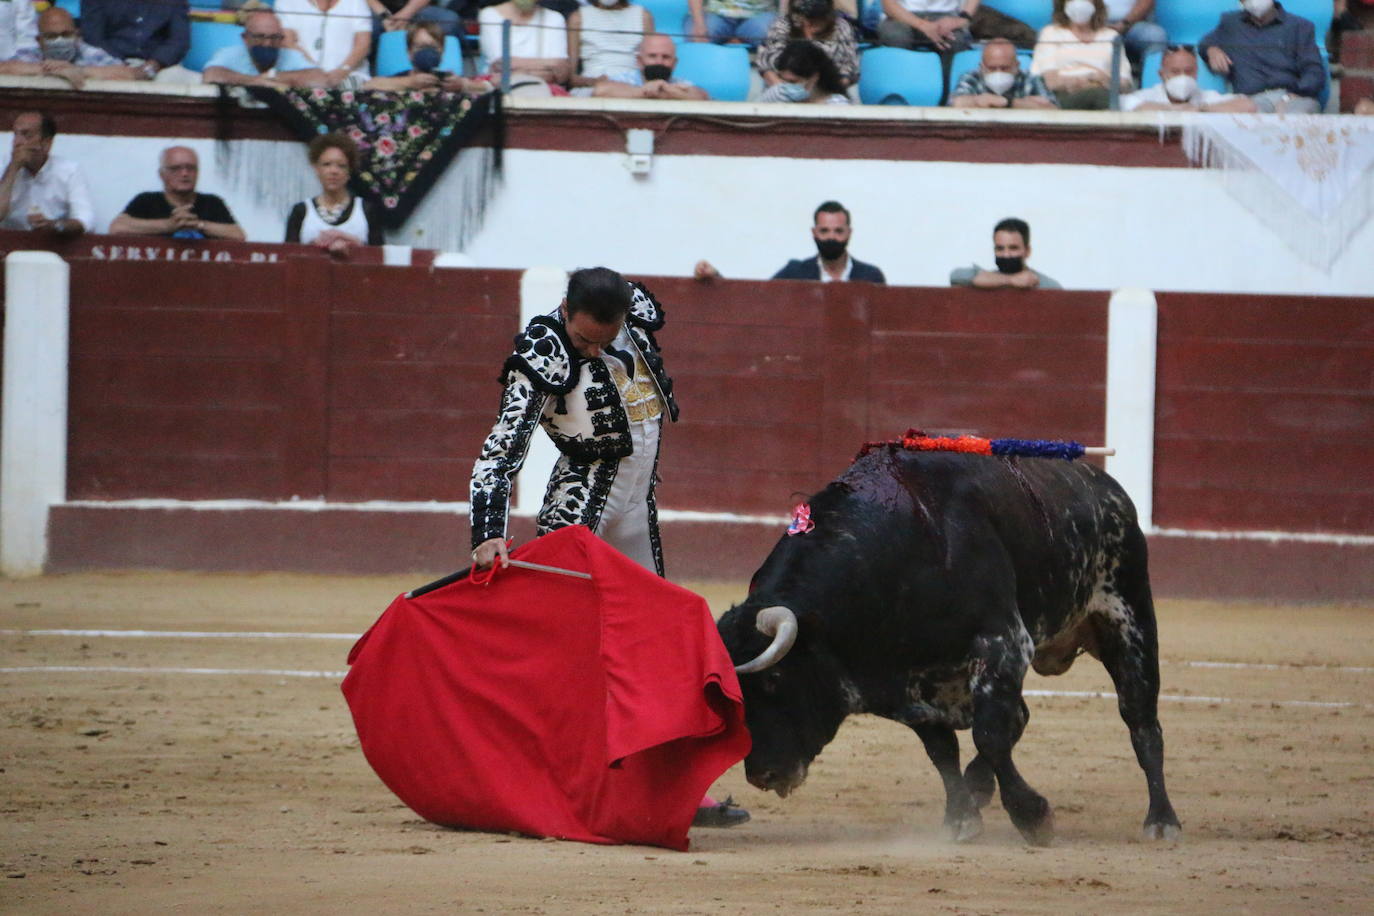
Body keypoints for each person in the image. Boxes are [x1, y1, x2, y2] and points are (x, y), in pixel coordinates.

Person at [469, 267, 748, 830]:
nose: (592, 350)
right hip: (579, 515)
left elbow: (649, 309)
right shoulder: (543, 349)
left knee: (662, 649)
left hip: (636, 508)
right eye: (582, 341)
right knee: (569, 657)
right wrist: (488, 531)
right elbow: (501, 448)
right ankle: (544, 782)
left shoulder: (632, 312)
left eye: (604, 338)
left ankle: (677, 788)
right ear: (566, 309)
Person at [1199, 0, 1326, 115]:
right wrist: (1212, 50)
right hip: (1250, 101)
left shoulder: (1299, 27)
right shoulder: (1231, 24)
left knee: (1296, 118)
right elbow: (1204, 43)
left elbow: (1314, 73)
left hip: (1293, 97)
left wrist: (1291, 96)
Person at [108, 147, 246, 240]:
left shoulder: (212, 202)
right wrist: (168, 225)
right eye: (176, 169)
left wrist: (198, 225)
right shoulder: (146, 200)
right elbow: (117, 228)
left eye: (190, 168)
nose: (185, 174)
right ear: (162, 175)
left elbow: (238, 235)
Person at [284, 132, 385, 252]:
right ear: (317, 169)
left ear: (349, 171)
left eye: (341, 166)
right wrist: (316, 246)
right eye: (326, 164)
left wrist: (349, 240)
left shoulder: (366, 210)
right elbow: (288, 255)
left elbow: (380, 257)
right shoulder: (301, 211)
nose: (333, 171)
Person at [0, 111, 92, 236]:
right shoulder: (3, 166)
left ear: (46, 143)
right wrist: (13, 168)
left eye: (26, 135)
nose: (17, 142)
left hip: (53, 245)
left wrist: (54, 225)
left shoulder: (69, 170)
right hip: (10, 246)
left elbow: (85, 220)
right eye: (15, 134)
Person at [1031, 0, 1134, 110]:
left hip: (1105, 92)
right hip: (1064, 96)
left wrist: (1101, 79)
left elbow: (1125, 84)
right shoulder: (1051, 33)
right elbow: (1052, 82)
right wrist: (1087, 80)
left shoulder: (1111, 36)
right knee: (1098, 95)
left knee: (1111, 98)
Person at [0, 6, 137, 89]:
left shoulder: (88, 52)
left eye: (66, 34)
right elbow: (3, 68)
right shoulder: (32, 53)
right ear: (39, 40)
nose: (60, 40)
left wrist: (79, 71)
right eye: (51, 36)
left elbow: (130, 74)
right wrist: (52, 70)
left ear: (77, 35)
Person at [202, 9, 330, 88]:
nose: (267, 43)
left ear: (282, 39)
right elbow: (210, 76)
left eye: (274, 37)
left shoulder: (290, 56)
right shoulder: (229, 54)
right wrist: (255, 82)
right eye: (260, 37)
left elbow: (320, 80)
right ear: (245, 38)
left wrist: (272, 76)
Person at [1121, 45, 1257, 113]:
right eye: (1175, 71)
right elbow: (1127, 103)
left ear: (1196, 73)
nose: (1182, 76)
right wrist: (1178, 110)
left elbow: (1248, 105)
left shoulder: (1205, 97)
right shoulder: (1149, 95)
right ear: (1161, 74)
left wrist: (1202, 109)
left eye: (1188, 71)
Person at [757, 0, 860, 90]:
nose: (810, 24)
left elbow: (849, 71)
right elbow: (766, 66)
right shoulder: (781, 25)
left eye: (815, 20)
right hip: (784, 89)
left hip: (828, 91)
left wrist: (826, 93)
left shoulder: (842, 27)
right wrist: (785, 91)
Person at [362, 20, 493, 91]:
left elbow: (489, 87)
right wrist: (409, 83)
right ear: (409, 53)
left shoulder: (449, 80)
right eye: (420, 47)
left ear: (442, 51)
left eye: (432, 47)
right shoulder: (401, 77)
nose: (427, 52)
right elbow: (367, 85)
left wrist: (462, 85)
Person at [81, 0, 192, 81]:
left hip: (158, 66)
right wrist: (120, 68)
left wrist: (152, 67)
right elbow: (93, 38)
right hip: (108, 61)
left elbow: (179, 41)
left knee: (173, 79)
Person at [479, 0, 571, 93]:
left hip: (545, 94)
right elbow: (501, 65)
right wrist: (549, 65)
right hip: (499, 93)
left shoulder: (555, 18)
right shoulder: (489, 15)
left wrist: (516, 72)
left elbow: (561, 73)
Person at [275, 0, 373, 84]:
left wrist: (343, 70)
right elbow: (288, 42)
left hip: (350, 74)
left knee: (349, 90)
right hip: (301, 74)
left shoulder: (356, 2)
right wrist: (314, 72)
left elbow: (363, 44)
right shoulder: (286, 2)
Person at [950, 217, 1061, 291]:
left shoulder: (1048, 286)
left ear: (1027, 251)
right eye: (1000, 248)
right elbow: (956, 276)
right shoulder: (985, 281)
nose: (1006, 255)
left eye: (1013, 248)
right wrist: (1011, 280)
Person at [591, 33, 708, 100]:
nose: (659, 61)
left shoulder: (681, 83)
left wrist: (665, 88)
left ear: (674, 63)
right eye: (652, 56)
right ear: (639, 61)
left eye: (666, 57)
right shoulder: (623, 79)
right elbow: (600, 91)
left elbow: (702, 97)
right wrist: (646, 91)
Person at [949, 36, 1057, 109]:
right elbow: (956, 103)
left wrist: (1008, 102)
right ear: (982, 67)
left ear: (1017, 66)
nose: (998, 72)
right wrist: (978, 100)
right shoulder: (971, 77)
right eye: (992, 68)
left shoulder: (1031, 79)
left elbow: (1053, 110)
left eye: (1004, 68)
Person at [569, 0, 653, 86]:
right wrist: (593, 82)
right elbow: (570, 77)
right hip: (592, 87)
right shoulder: (578, 17)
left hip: (634, 84)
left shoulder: (643, 16)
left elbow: (651, 64)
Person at [756, 39, 850, 103]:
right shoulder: (777, 94)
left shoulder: (837, 104)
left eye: (793, 81)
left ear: (814, 77)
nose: (786, 86)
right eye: (782, 79)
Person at [685, 0, 778, 48]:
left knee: (776, 38)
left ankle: (776, 83)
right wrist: (699, 23)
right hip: (715, 13)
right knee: (698, 38)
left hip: (760, 14)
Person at [1102, 0, 1166, 68]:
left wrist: (1125, 24)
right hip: (1095, 24)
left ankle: (1151, 76)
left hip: (1131, 24)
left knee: (1155, 36)